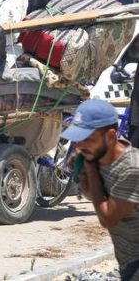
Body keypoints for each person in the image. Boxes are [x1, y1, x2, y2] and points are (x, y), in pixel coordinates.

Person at [64, 99, 139, 281]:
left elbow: (107, 217)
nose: (80, 146)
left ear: (111, 136)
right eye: (78, 139)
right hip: (129, 259)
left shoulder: (131, 168)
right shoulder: (99, 155)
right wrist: (82, 173)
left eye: (88, 139)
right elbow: (95, 195)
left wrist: (89, 168)